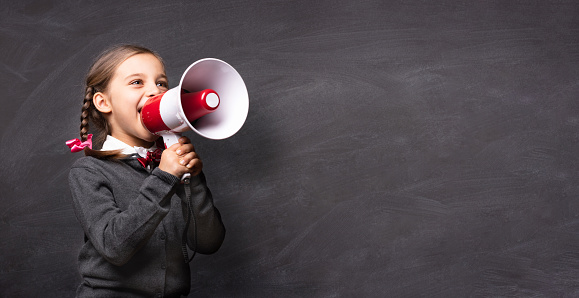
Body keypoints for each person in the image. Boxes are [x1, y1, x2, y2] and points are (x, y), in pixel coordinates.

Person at [66, 44, 226, 297]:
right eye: (137, 82)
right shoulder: (89, 171)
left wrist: (192, 181)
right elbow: (114, 247)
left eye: (161, 83)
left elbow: (208, 242)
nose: (155, 90)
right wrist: (164, 178)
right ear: (103, 102)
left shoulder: (170, 167)